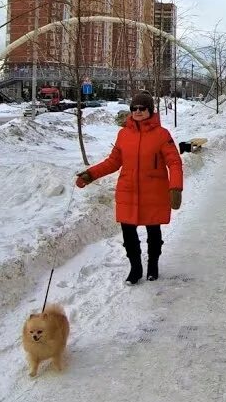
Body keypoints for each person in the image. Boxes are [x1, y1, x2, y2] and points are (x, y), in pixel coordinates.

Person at [75, 92, 184, 284]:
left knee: (153, 230)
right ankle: (135, 268)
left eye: (142, 108)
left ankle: (153, 264)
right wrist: (90, 174)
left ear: (150, 110)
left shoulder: (162, 135)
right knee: (128, 232)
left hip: (154, 191)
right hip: (128, 190)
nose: (138, 112)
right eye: (134, 108)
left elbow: (174, 163)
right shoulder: (124, 134)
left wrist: (175, 188)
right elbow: (113, 162)